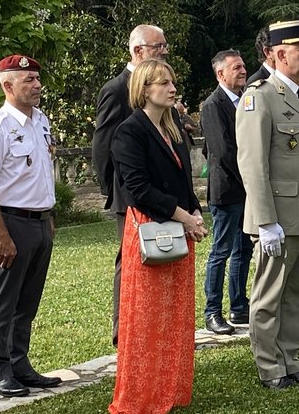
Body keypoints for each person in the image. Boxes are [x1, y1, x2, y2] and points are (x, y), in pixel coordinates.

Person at [109, 60, 207, 413]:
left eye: (172, 82)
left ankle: (169, 389)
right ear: (144, 89)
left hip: (179, 228)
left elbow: (184, 182)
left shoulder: (174, 128)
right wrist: (183, 217)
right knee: (148, 319)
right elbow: (137, 188)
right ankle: (140, 395)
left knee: (175, 315)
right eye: (163, 83)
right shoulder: (130, 131)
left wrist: (195, 212)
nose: (172, 88)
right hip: (152, 231)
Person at [236, 19, 299, 389]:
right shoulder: (259, 96)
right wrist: (266, 222)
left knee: (295, 293)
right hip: (279, 216)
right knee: (269, 295)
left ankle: (289, 356)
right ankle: (269, 366)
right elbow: (252, 164)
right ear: (277, 53)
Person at [0, 55, 61, 398]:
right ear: (7, 86)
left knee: (28, 301)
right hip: (9, 222)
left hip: (39, 223)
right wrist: (0, 235)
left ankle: (19, 363)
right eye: (28, 80)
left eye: (37, 79)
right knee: (4, 300)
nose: (37, 85)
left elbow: (38, 174)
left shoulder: (40, 121)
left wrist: (48, 218)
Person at [92, 24, 178, 345]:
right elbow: (103, 145)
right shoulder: (116, 90)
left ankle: (155, 323)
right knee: (130, 260)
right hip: (130, 195)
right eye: (158, 47)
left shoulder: (161, 91)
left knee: (160, 256)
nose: (164, 51)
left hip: (159, 194)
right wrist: (112, 189)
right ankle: (122, 327)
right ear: (138, 51)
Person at [199, 49, 254, 335]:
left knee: (244, 249)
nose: (243, 71)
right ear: (221, 74)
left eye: (243, 66)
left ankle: (239, 306)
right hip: (228, 190)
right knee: (221, 251)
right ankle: (212, 311)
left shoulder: (247, 100)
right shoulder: (213, 105)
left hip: (247, 191)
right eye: (236, 67)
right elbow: (220, 151)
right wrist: (251, 178)